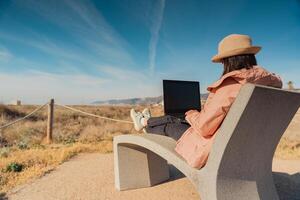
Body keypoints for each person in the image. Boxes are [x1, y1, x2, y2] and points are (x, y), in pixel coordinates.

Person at [130, 34, 283, 169]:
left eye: (223, 62)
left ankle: (143, 123)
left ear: (227, 61)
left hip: (214, 148)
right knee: (176, 119)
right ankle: (145, 120)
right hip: (247, 147)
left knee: (171, 123)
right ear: (250, 57)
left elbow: (204, 128)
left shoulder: (232, 85)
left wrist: (192, 114)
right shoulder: (268, 83)